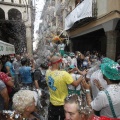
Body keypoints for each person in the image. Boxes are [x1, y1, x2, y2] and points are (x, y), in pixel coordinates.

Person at [45, 56, 84, 120]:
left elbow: (57, 75)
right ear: (57, 63)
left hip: (52, 103)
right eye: (60, 62)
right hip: (62, 104)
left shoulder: (47, 72)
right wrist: (82, 75)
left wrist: (70, 71)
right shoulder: (64, 74)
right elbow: (76, 84)